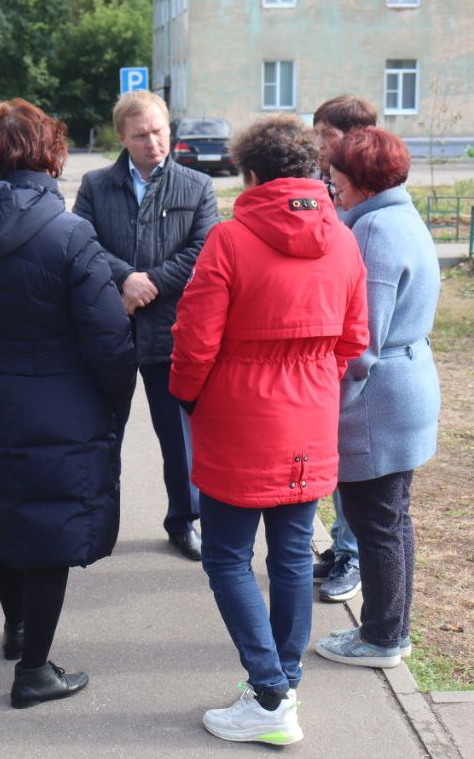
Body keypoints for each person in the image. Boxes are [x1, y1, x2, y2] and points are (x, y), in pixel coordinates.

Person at [0, 99, 135, 709]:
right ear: (51, 155)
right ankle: (34, 670)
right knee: (50, 530)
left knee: (7, 512)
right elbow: (109, 339)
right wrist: (114, 401)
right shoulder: (69, 234)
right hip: (61, 402)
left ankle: (18, 629)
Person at [170, 115, 368, 745]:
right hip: (311, 416)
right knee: (290, 556)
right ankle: (283, 685)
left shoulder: (229, 240)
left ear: (251, 174)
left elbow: (194, 341)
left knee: (227, 557)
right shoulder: (343, 240)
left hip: (239, 416)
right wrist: (315, 378)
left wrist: (190, 397)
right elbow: (354, 340)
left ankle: (269, 694)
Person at [313, 127, 441, 670]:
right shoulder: (400, 216)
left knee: (375, 522)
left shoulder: (375, 231)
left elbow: (361, 342)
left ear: (363, 183)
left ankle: (382, 637)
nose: (333, 188)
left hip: (376, 399)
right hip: (405, 384)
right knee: (392, 518)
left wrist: (329, 406)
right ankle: (392, 630)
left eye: (338, 179)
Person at [73, 90, 219, 561]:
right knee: (102, 433)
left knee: (178, 439)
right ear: (121, 137)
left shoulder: (197, 186)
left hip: (171, 332)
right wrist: (125, 278)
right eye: (140, 135)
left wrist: (150, 283)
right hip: (110, 328)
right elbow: (80, 242)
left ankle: (185, 520)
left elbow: (204, 250)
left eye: (158, 131)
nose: (152, 142)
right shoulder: (96, 185)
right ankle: (97, 523)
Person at [308, 94, 378, 604]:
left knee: (350, 459)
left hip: (353, 348)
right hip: (322, 332)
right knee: (331, 453)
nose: (317, 145)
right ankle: (340, 545)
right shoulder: (322, 183)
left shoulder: (367, 193)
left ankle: (352, 555)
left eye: (324, 135)